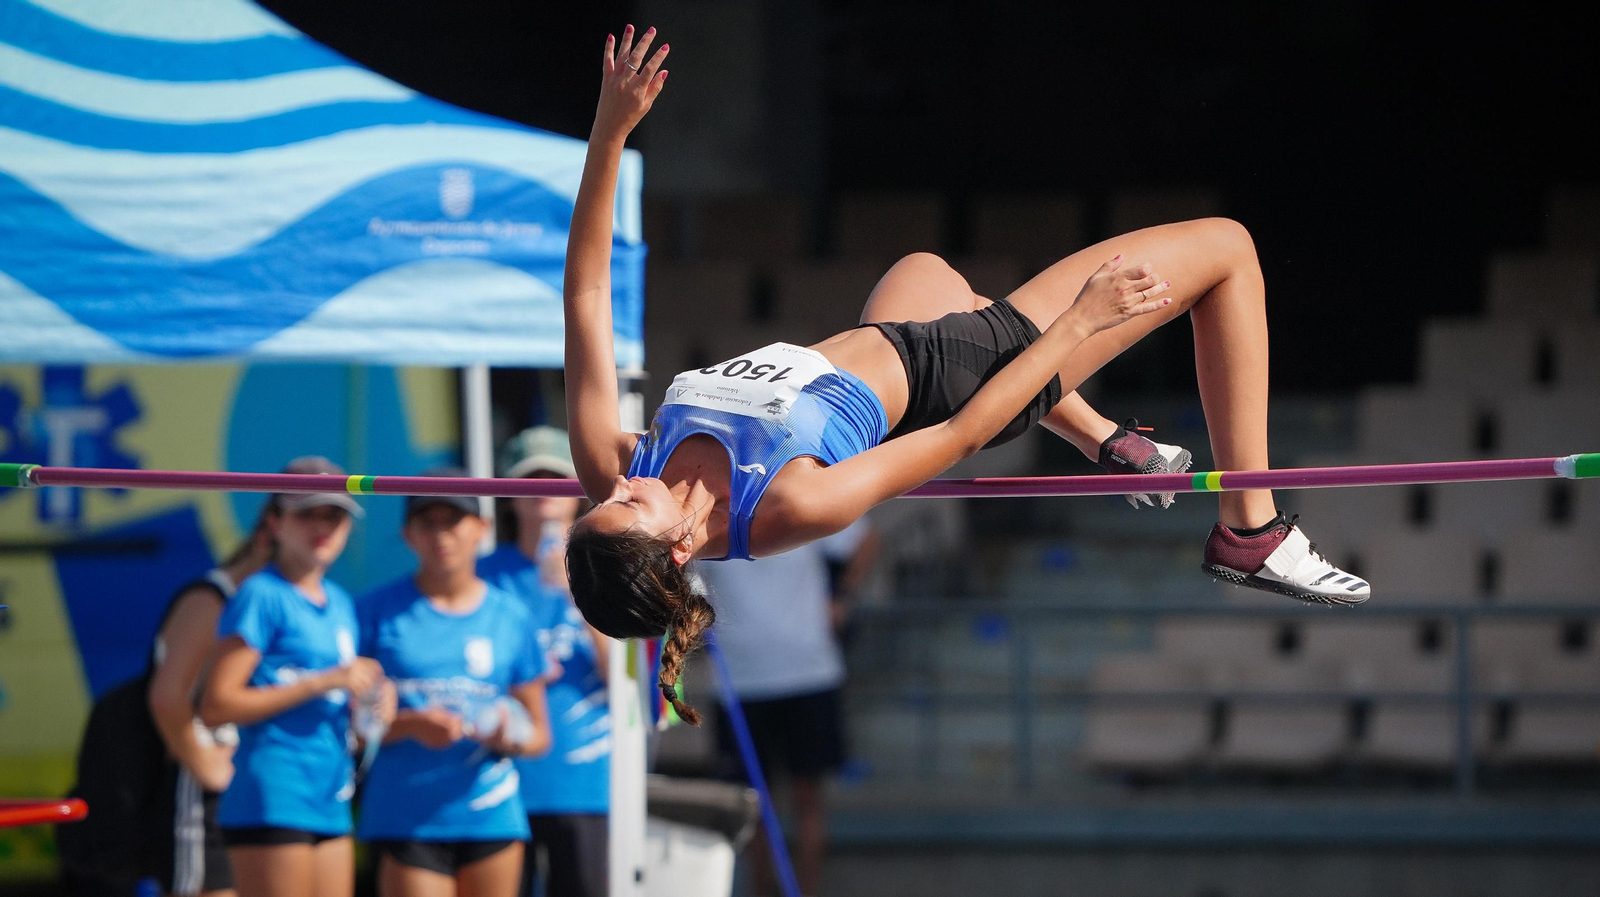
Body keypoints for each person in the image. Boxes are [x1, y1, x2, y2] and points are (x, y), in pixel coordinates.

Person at [561, 27, 1369, 723]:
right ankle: (1250, 529)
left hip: (896, 335)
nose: (619, 487)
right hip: (961, 375)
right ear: (673, 553)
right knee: (1227, 249)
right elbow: (962, 434)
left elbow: (588, 293)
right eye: (627, 508)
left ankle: (1103, 437)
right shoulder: (788, 504)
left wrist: (608, 134)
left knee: (926, 267)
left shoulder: (612, 467)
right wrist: (1079, 325)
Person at [358, 470, 553, 897]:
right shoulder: (374, 611)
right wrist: (410, 725)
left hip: (491, 815)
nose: (441, 535)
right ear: (408, 533)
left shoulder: (510, 615)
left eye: (454, 520)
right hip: (407, 817)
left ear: (481, 529)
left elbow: (539, 735)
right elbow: (352, 730)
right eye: (428, 522)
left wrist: (510, 734)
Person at [200, 457, 386, 897]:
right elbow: (216, 704)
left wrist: (375, 701)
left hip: (330, 794)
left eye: (335, 516)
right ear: (276, 522)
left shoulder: (339, 601)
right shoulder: (261, 594)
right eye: (308, 513)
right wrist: (323, 682)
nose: (322, 527)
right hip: (273, 795)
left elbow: (342, 693)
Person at [698, 519, 879, 897]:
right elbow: (681, 573)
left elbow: (865, 538)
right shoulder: (711, 498)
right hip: (740, 682)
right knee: (752, 806)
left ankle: (806, 891)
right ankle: (763, 890)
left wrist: (842, 598)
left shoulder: (801, 494)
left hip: (809, 673)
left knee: (807, 795)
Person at [479, 427, 612, 897]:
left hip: (585, 784)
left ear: (579, 494)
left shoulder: (608, 569)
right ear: (509, 494)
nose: (543, 493)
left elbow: (631, 681)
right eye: (530, 478)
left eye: (555, 479)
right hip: (494, 779)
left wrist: (580, 595)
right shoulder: (480, 576)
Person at [147, 516, 274, 897]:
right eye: (307, 521)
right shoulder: (212, 599)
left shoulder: (277, 598)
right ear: (270, 533)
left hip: (255, 784)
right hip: (205, 791)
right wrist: (209, 767)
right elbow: (168, 698)